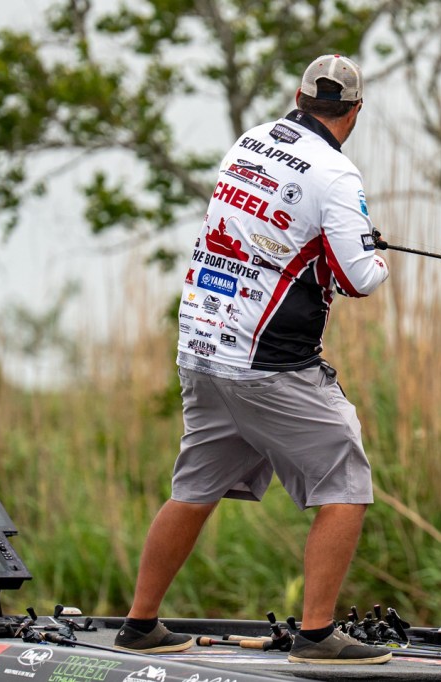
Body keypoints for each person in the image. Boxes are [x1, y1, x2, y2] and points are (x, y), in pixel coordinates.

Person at [114, 55, 392, 664]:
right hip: (268, 365)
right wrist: (376, 255)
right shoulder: (336, 174)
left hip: (202, 348)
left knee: (195, 487)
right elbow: (359, 278)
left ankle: (140, 624)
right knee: (345, 479)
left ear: (298, 96)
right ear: (355, 111)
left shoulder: (251, 141)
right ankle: (316, 636)